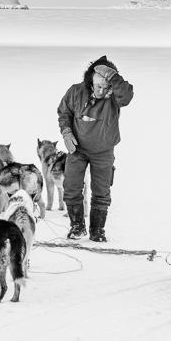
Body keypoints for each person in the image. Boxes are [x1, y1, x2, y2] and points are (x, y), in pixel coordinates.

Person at [57, 56, 134, 242]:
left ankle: (97, 230)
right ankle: (77, 227)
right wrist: (67, 133)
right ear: (91, 80)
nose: (102, 91)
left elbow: (127, 95)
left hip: (103, 150)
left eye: (106, 87)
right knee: (71, 187)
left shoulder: (115, 98)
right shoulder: (76, 91)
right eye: (99, 86)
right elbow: (64, 112)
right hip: (78, 149)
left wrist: (113, 77)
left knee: (101, 191)